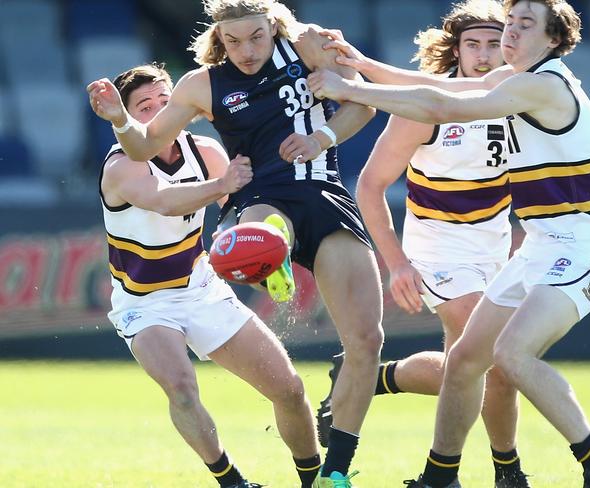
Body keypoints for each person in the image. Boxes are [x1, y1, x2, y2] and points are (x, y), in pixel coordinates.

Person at [307, 0, 590, 487]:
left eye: (526, 25)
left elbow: (444, 103)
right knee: (465, 361)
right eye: (512, 23)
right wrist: (364, 65)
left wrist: (351, 88)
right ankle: (441, 476)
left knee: (510, 357)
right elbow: (446, 90)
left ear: (552, 40)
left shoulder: (540, 84)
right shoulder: (511, 81)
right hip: (526, 247)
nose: (510, 34)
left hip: (584, 246)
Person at [87, 2, 384, 487]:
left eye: (256, 38)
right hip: (166, 284)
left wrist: (323, 136)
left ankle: (330, 476)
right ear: (217, 40)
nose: (246, 51)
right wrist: (122, 120)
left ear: (275, 27)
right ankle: (272, 254)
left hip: (318, 199)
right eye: (233, 41)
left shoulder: (305, 45)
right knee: (185, 382)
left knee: (361, 345)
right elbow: (156, 180)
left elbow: (364, 102)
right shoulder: (197, 90)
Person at [315, 2, 529, 487]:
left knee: (474, 368)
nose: (482, 54)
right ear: (455, 50)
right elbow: (369, 186)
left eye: (494, 44)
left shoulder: (518, 98)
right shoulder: (425, 107)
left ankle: (376, 379)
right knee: (491, 354)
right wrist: (398, 265)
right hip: (438, 248)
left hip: (493, 246)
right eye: (472, 44)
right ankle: (505, 473)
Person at [96, 63, 321, 488]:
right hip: (144, 303)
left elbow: (235, 211)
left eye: (165, 102)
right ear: (125, 120)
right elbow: (163, 201)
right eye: (144, 107)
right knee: (181, 387)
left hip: (200, 288)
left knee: (289, 389)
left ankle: (316, 480)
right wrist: (222, 185)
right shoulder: (121, 167)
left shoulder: (205, 150)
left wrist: (253, 248)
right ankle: (232, 481)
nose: (158, 113)